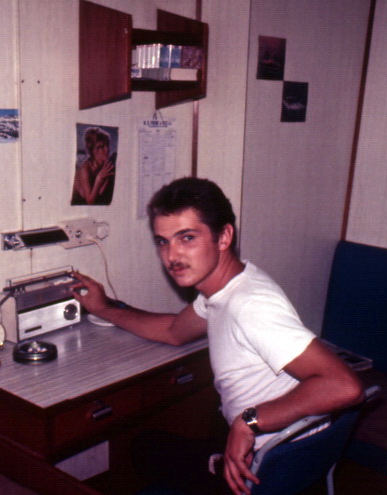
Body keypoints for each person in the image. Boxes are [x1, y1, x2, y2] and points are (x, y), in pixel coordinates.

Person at [72, 177, 363, 495]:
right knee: (155, 443)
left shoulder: (250, 305)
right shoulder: (229, 286)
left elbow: (344, 386)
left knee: (143, 449)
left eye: (187, 238)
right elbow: (173, 331)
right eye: (163, 242)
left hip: (262, 465)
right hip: (291, 451)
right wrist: (105, 308)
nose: (172, 256)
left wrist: (249, 421)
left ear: (223, 236)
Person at [72, 126, 115, 205]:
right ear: (92, 150)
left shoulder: (105, 165)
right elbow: (90, 201)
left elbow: (100, 193)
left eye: (107, 145)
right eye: (101, 147)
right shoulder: (85, 169)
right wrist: (99, 179)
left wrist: (104, 178)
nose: (107, 149)